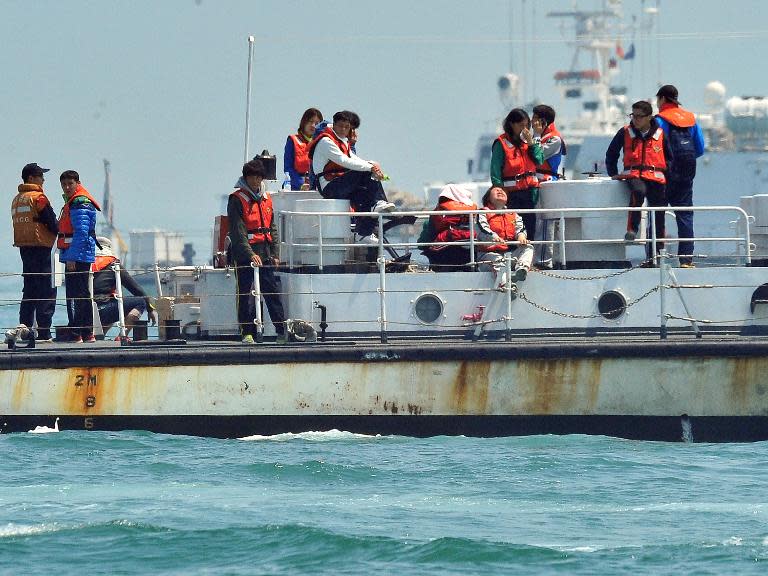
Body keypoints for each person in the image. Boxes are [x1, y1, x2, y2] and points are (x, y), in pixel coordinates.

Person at [308, 110, 395, 245]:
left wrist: (373, 166)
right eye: (340, 126)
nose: (343, 129)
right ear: (334, 125)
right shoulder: (326, 141)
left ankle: (363, 233)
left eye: (346, 127)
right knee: (365, 172)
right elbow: (344, 161)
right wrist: (370, 168)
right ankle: (378, 202)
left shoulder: (342, 140)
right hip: (329, 187)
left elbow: (352, 158)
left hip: (339, 184)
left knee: (365, 193)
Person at [227, 158, 286, 344]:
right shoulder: (237, 199)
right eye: (251, 177)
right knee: (246, 294)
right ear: (245, 178)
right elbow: (238, 232)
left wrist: (275, 253)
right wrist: (249, 253)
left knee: (272, 291)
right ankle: (247, 332)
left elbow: (272, 227)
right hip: (245, 254)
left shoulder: (267, 199)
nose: (255, 181)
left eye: (258, 177)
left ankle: (281, 330)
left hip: (265, 251)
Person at [605, 100, 672, 258]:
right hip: (634, 175)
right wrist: (613, 173)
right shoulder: (625, 132)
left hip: (656, 178)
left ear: (649, 117)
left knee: (658, 214)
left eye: (639, 116)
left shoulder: (660, 135)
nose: (635, 119)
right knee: (638, 191)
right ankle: (632, 229)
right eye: (633, 116)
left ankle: (657, 253)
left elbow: (669, 158)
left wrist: (667, 177)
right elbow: (612, 153)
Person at [655, 84, 706, 268]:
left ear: (662, 99)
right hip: (686, 175)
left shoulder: (659, 120)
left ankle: (654, 258)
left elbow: (656, 148)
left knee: (656, 216)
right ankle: (686, 259)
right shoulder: (691, 118)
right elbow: (699, 149)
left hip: (664, 176)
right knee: (685, 216)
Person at [12, 163, 58, 342]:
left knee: (29, 290)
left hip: (24, 247)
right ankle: (44, 332)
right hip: (41, 247)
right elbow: (52, 223)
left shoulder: (17, 199)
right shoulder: (39, 198)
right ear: (31, 178)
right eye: (41, 176)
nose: (43, 179)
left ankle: (24, 329)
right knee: (46, 290)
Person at [57, 170, 101, 343]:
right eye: (64, 184)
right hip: (80, 253)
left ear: (78, 183)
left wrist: (71, 258)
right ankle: (87, 332)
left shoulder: (78, 203)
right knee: (83, 293)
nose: (67, 187)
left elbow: (81, 233)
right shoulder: (79, 201)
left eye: (70, 184)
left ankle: (77, 333)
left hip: (76, 255)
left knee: (75, 295)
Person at [490, 108, 544, 242]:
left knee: (530, 227)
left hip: (529, 193)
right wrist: (500, 195)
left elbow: (539, 160)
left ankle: (528, 257)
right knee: (513, 228)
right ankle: (513, 257)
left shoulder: (529, 142)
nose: (524, 129)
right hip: (511, 195)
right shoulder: (501, 143)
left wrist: (532, 143)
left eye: (527, 125)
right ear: (511, 125)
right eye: (521, 125)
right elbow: (495, 170)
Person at [92, 237, 157, 340]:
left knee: (112, 300)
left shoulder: (85, 264)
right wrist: (150, 309)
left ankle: (98, 336)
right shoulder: (113, 264)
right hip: (104, 310)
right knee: (140, 302)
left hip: (85, 312)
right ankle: (122, 336)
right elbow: (136, 289)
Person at [421, 184, 494, 270]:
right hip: (470, 250)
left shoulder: (439, 212)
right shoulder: (473, 210)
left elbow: (426, 238)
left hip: (445, 254)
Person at [478, 186, 534, 287]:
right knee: (497, 261)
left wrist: (521, 237)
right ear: (488, 198)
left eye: (502, 191)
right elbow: (482, 228)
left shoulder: (513, 214)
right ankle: (505, 285)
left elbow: (520, 228)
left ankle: (521, 270)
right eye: (496, 190)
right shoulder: (482, 213)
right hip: (488, 255)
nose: (500, 191)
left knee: (528, 247)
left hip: (509, 255)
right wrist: (493, 237)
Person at [532, 104, 566, 269]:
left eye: (534, 118)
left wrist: (536, 136)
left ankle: (544, 260)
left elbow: (537, 157)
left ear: (542, 121)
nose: (531, 122)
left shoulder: (554, 139)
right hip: (533, 182)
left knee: (546, 223)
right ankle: (532, 258)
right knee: (535, 222)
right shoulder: (535, 136)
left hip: (547, 184)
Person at [284, 108, 323, 190]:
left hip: (317, 187)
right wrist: (300, 184)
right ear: (304, 122)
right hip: (295, 188)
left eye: (316, 123)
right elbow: (288, 168)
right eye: (310, 121)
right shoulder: (293, 140)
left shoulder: (323, 143)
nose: (313, 125)